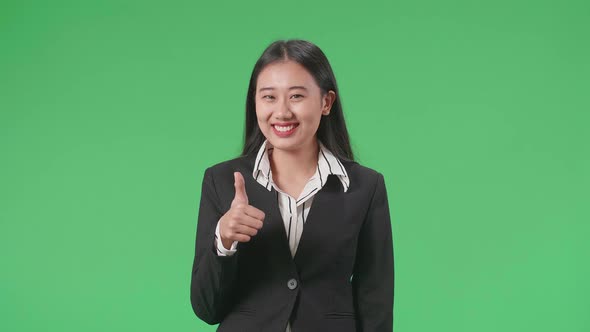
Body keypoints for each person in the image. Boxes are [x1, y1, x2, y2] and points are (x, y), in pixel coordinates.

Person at [190, 39, 394, 332]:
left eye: (296, 96)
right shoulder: (221, 180)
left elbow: (376, 301)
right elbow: (206, 308)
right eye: (269, 97)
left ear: (326, 102)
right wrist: (223, 240)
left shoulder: (365, 186)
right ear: (255, 102)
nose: (282, 112)